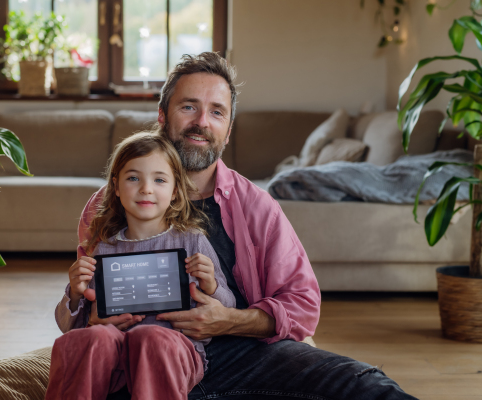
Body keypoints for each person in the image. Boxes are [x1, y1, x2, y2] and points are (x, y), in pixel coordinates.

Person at [65, 53, 418, 400]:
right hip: (141, 359)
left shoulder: (256, 205)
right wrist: (94, 315)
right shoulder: (108, 204)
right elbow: (85, 304)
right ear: (162, 116)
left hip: (243, 354)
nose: (202, 121)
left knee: (365, 384)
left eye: (216, 112)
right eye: (188, 106)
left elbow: (302, 305)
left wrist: (228, 320)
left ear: (228, 131)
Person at [47, 132, 236, 400]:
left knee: (151, 337)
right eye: (133, 178)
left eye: (159, 180)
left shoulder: (192, 241)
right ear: (116, 186)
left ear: (174, 191)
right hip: (113, 355)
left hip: (172, 352)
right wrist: (76, 293)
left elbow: (227, 308)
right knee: (86, 339)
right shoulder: (103, 249)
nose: (146, 188)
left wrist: (212, 286)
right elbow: (70, 326)